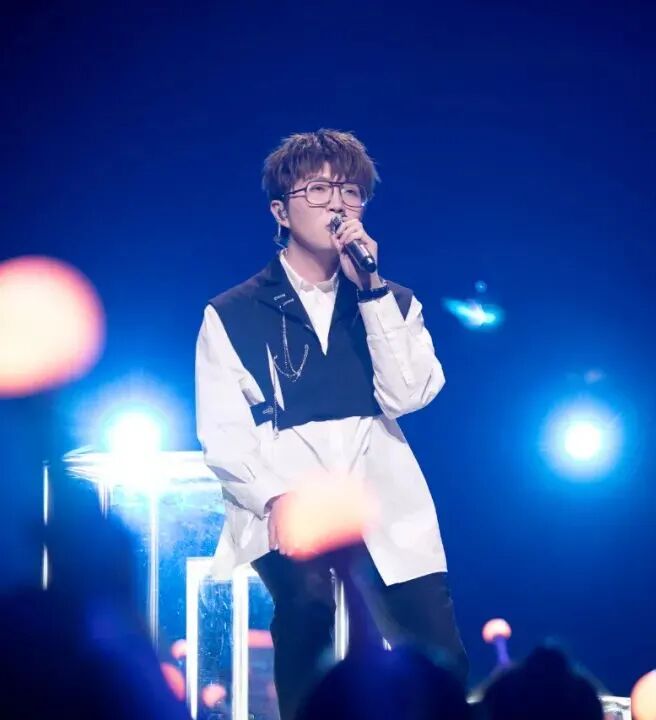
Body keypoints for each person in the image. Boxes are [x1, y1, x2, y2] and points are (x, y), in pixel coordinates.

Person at [195, 129, 467, 720]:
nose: (337, 205)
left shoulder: (392, 300)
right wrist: (273, 497)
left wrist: (371, 291)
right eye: (318, 190)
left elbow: (408, 394)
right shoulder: (232, 311)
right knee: (307, 616)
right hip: (292, 494)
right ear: (281, 211)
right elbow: (223, 430)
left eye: (350, 192)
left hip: (384, 492)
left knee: (437, 650)